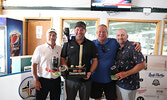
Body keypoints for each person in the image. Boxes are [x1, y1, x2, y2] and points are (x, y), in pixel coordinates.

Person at [90, 24, 141, 100]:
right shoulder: (91, 44)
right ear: (96, 33)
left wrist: (136, 43)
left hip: (111, 78)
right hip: (95, 78)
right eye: (99, 32)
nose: (101, 34)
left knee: (113, 98)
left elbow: (124, 42)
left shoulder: (114, 42)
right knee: (97, 98)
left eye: (104, 32)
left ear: (107, 33)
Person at [61, 21, 98, 100]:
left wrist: (90, 72)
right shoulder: (67, 44)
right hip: (71, 79)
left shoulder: (90, 44)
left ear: (85, 31)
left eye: (82, 30)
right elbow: (62, 58)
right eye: (77, 29)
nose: (79, 32)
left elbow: (95, 60)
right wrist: (66, 68)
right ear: (74, 30)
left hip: (86, 79)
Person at [115, 29, 146, 100]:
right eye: (118, 35)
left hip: (129, 84)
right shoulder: (117, 47)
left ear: (127, 36)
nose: (120, 37)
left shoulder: (133, 48)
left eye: (122, 35)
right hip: (117, 82)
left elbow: (143, 64)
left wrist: (125, 74)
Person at [31, 28, 62, 100]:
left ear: (56, 37)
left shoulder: (60, 48)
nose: (52, 37)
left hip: (56, 80)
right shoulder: (39, 48)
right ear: (46, 36)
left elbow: (61, 63)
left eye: (54, 35)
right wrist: (36, 80)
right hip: (42, 81)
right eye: (50, 35)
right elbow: (34, 65)